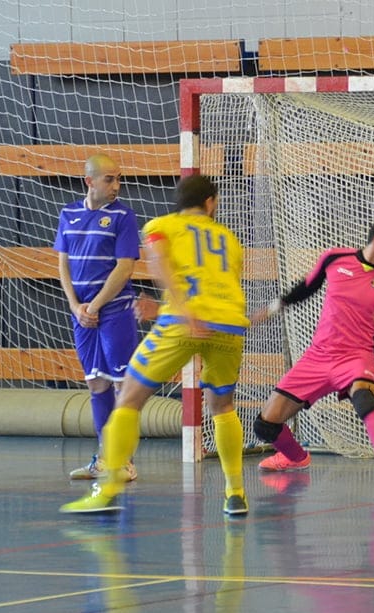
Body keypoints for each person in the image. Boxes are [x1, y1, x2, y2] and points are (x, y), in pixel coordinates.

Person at [61, 174, 251, 515]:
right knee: (222, 407)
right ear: (210, 203)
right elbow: (227, 281)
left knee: (129, 397)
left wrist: (180, 309)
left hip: (183, 321)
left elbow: (161, 265)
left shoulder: (160, 226)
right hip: (229, 324)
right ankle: (235, 493)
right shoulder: (229, 238)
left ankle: (107, 490)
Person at [251, 216, 374, 487]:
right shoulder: (335, 258)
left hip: (356, 357)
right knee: (265, 424)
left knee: (363, 397)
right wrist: (271, 309)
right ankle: (295, 457)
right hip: (318, 356)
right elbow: (306, 288)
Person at [54, 153, 140, 483]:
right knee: (96, 383)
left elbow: (125, 267)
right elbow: (63, 263)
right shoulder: (69, 214)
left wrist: (96, 305)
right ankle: (104, 457)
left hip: (115, 311)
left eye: (119, 179)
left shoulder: (123, 216)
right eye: (109, 179)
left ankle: (125, 461)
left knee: (122, 386)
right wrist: (76, 305)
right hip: (82, 315)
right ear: (89, 181)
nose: (117, 185)